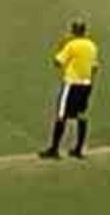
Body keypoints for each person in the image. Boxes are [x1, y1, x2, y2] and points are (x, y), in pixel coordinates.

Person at [38, 18, 99, 161]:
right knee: (81, 115)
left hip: (71, 83)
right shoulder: (92, 46)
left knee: (61, 115)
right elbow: (95, 66)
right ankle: (79, 149)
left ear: (74, 31)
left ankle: (54, 149)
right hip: (86, 83)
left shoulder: (71, 45)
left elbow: (58, 61)